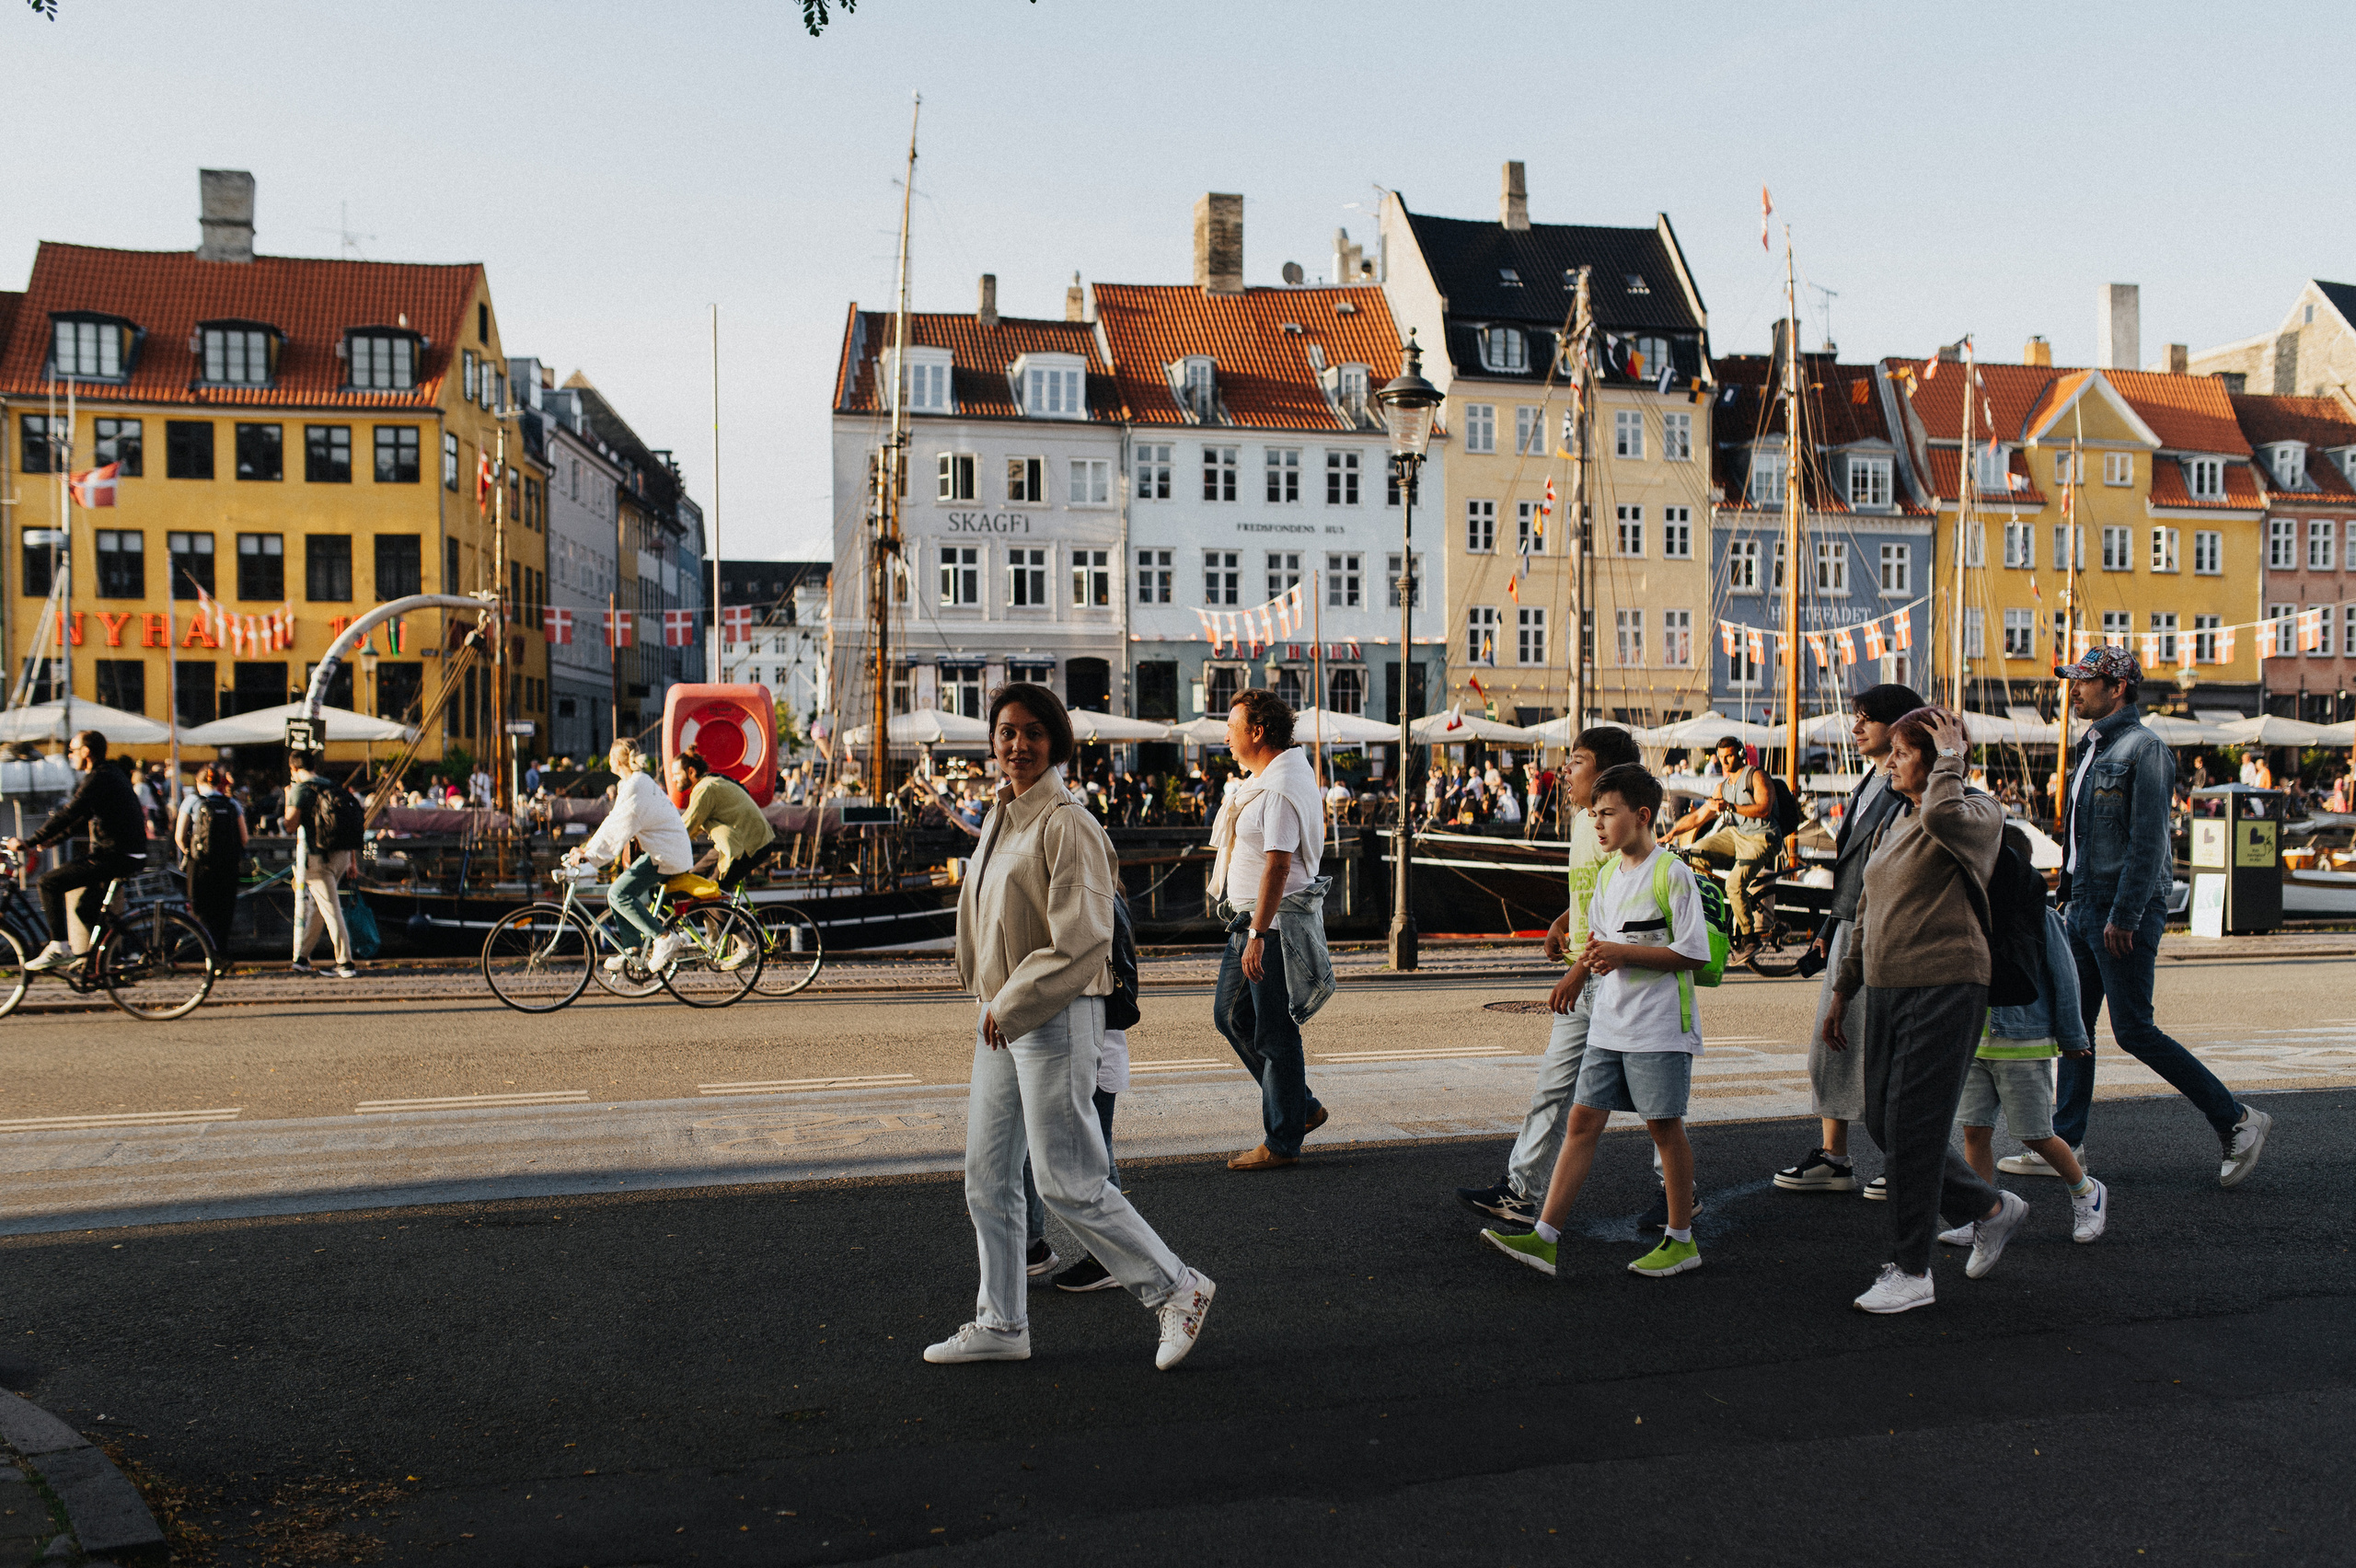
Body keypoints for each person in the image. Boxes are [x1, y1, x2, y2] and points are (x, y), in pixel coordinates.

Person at [927, 682, 1214, 1370]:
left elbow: (1081, 938)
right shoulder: (1003, 812)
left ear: (1055, 739)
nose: (1017, 745)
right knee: (988, 1176)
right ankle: (1001, 1323)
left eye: (1031, 732)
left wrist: (1007, 1001)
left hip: (1053, 1011)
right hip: (1005, 1014)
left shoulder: (1067, 820)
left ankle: (1178, 1288)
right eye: (1005, 732)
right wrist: (987, 995)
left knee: (1067, 1180)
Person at [2043, 647, 2271, 1186]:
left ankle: (2237, 1120)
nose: (2074, 690)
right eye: (2073, 681)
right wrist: (2067, 898)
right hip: (2083, 907)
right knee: (2073, 1027)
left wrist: (2123, 913)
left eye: (2085, 681)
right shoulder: (2093, 746)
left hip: (2122, 910)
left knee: (2134, 1031)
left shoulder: (2144, 749)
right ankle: (2064, 1141)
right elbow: (2083, 839)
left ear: (2117, 687)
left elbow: (2149, 843)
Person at [1480, 764, 1711, 1281]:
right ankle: (1544, 1238)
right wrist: (1579, 971)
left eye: (1607, 814)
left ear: (1642, 815)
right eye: (1594, 815)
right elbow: (1600, 943)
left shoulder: (1670, 872)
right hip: (1609, 1022)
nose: (1598, 825)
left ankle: (1680, 1240)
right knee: (1583, 1121)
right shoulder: (1608, 875)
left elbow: (1693, 954)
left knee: (1664, 1127)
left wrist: (1621, 954)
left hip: (1656, 1027)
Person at [1824, 707, 2020, 1315]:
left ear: (1941, 757)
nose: (1890, 761)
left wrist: (1953, 758)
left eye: (1906, 752)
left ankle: (1912, 1270)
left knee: (1912, 1128)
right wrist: (1842, 991)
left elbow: (1943, 809)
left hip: (1945, 984)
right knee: (1886, 1124)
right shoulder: (1897, 822)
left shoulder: (1975, 814)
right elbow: (1867, 908)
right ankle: (1989, 1207)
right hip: (1886, 986)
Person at [1456, 725, 1642, 1226]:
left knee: (1651, 1098)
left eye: (1576, 760)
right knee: (1554, 1088)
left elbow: (1623, 912)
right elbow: (1592, 895)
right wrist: (1564, 922)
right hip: (1587, 971)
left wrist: (1578, 971)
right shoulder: (1585, 822)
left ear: (1604, 772)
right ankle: (1520, 1191)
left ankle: (1678, 1193)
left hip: (1615, 979)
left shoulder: (1617, 826)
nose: (1565, 768)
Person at [1773, 683, 1922, 1199]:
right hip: (1849, 926)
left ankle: (1903, 1161)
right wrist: (1827, 929)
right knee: (1833, 1044)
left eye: (1866, 719)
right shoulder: (1870, 780)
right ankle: (1834, 1157)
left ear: (1901, 724)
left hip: (1885, 930)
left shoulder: (1909, 784)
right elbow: (1851, 868)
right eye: (1855, 718)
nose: (1855, 728)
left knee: (1884, 1049)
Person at [1207, 687, 1335, 1170]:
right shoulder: (1264, 781)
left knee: (1275, 1033)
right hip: (1251, 922)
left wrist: (1259, 934)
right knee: (1232, 1016)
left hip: (1271, 927)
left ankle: (1282, 1140)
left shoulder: (1280, 789)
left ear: (1256, 732)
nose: (1226, 736)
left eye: (1231, 727)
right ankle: (1299, 1106)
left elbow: (1277, 867)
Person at [1940, 894, 2108, 1249]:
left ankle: (2086, 1192)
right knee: (1974, 1131)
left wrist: (2073, 1034)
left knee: (2035, 1135)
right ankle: (1982, 1213)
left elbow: (2065, 976)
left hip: (2024, 1043)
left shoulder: (2039, 914)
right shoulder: (1964, 908)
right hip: (1974, 1042)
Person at [6, 731, 148, 973]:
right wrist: (53, 840)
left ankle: (59, 946)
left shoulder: (98, 778)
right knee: (86, 908)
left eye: (72, 750)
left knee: (48, 882)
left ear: (86, 751)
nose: (70, 755)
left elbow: (70, 813)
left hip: (116, 855)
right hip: (126, 853)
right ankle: (111, 960)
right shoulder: (109, 774)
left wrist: (29, 841)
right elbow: (83, 818)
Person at [563, 739, 695, 974]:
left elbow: (619, 828)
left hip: (666, 853)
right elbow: (611, 822)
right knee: (621, 892)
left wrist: (590, 855)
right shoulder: (633, 783)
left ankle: (664, 937)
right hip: (663, 849)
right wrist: (587, 848)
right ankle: (632, 951)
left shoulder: (635, 786)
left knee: (617, 893)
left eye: (610, 756)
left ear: (617, 760)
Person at [1668, 736, 1775, 941]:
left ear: (1741, 755)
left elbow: (1764, 809)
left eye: (1729, 756)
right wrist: (1672, 833)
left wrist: (1730, 807)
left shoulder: (1756, 777)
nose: (1725, 762)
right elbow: (1699, 816)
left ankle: (1748, 938)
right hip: (1737, 834)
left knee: (1734, 884)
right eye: (1721, 757)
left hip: (1761, 837)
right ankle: (1713, 913)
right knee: (1695, 851)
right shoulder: (1722, 787)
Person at [283, 752, 361, 978]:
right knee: (320, 906)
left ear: (293, 769)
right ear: (314, 766)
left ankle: (345, 962)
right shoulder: (331, 786)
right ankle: (302, 958)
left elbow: (290, 825)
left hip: (319, 858)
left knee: (330, 909)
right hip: (343, 855)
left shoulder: (301, 788)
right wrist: (352, 861)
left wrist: (289, 799)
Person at [674, 752, 776, 891]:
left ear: (691, 772)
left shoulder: (705, 789)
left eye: (677, 774)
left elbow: (687, 825)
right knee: (692, 877)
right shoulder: (709, 782)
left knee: (711, 893)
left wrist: (660, 848)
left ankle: (719, 910)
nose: (673, 779)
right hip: (733, 843)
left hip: (749, 845)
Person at [176, 765, 248, 960]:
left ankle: (205, 953)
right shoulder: (232, 803)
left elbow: (179, 836)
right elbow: (244, 838)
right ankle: (221, 955)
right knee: (224, 910)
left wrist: (189, 852)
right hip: (227, 866)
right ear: (218, 783)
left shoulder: (192, 801)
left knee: (200, 909)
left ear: (198, 783)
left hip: (200, 866)